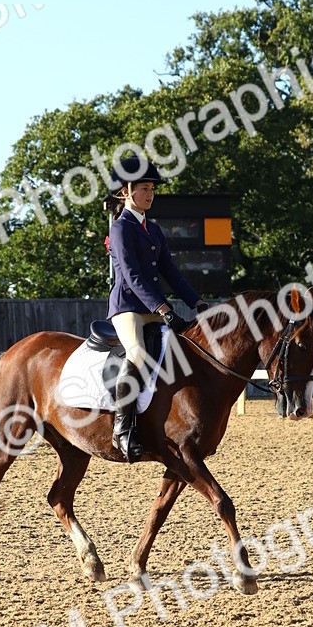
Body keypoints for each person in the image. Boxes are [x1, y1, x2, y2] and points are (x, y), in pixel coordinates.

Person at [106, 157, 207, 462]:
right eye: (144, 188)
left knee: (182, 353)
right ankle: (122, 430)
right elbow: (132, 276)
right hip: (127, 308)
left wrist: (197, 302)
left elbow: (171, 273)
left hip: (154, 308)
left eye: (152, 189)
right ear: (126, 191)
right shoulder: (121, 228)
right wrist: (162, 308)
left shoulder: (154, 230)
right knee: (138, 354)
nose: (150, 194)